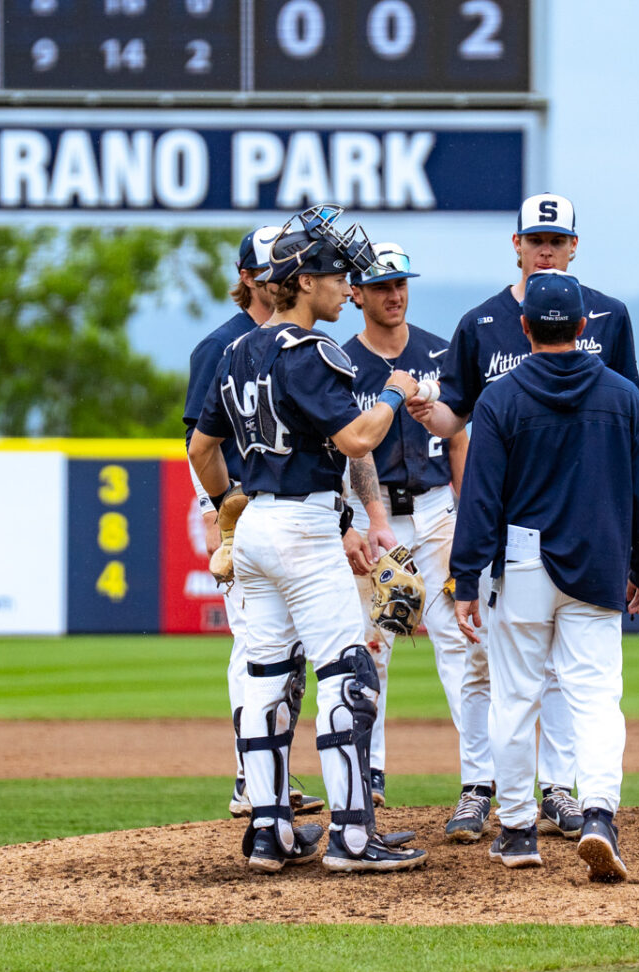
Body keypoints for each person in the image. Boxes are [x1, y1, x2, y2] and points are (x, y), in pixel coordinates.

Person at [189, 205, 427, 874]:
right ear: (303, 280)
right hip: (304, 525)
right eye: (335, 275)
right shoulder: (313, 350)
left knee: (265, 676)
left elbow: (203, 447)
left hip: (257, 525)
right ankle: (353, 835)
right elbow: (355, 439)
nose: (345, 286)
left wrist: (223, 503)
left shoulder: (238, 350)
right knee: (347, 675)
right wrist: (391, 390)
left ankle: (268, 831)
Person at [407, 192, 639, 841]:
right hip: (520, 523)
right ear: (515, 243)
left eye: (555, 240)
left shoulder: (610, 317)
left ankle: (551, 797)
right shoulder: (481, 324)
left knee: (550, 681)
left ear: (573, 247)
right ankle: (485, 789)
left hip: (560, 525)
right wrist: (433, 413)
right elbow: (458, 413)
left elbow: (630, 419)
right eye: (535, 239)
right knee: (508, 673)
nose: (544, 249)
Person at [451, 271, 639, 882]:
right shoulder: (623, 396)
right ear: (582, 328)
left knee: (515, 698)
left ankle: (518, 830)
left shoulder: (501, 398)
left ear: (524, 328)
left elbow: (481, 498)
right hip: (598, 563)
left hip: (521, 563)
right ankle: (598, 815)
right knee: (595, 698)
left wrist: (466, 577)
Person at [337, 242, 499, 841]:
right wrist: (359, 520)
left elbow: (459, 439)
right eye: (381, 285)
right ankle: (368, 774)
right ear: (356, 293)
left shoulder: (439, 351)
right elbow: (349, 449)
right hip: (371, 512)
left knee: (462, 642)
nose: (395, 293)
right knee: (369, 647)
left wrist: (467, 515)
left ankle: (479, 784)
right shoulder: (341, 360)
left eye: (401, 282)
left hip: (436, 510)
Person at [182, 225, 326, 821]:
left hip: (289, 509)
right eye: (267, 267)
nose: (277, 275)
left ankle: (273, 774)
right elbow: (197, 442)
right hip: (244, 507)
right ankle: (250, 776)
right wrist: (216, 515)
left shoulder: (290, 341)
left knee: (285, 654)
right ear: (247, 278)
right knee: (255, 646)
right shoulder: (223, 345)